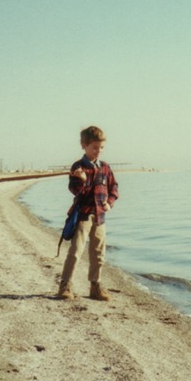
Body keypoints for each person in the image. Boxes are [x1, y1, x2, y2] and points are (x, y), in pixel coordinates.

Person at [57, 126, 119, 301]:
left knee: (99, 253)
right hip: (83, 216)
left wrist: (110, 203)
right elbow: (75, 191)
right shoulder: (78, 166)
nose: (98, 151)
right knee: (76, 251)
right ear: (83, 145)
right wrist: (82, 181)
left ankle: (95, 286)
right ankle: (65, 285)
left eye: (101, 148)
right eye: (94, 147)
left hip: (100, 217)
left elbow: (114, 187)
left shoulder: (105, 167)